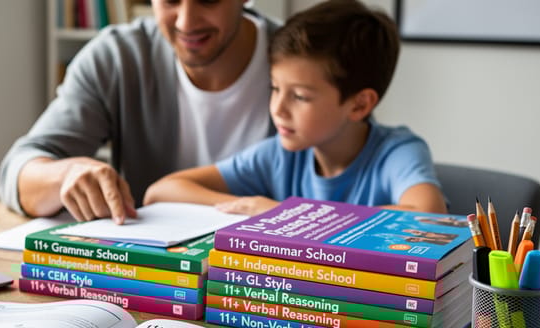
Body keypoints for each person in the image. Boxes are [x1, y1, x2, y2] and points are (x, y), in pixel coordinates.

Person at [143, 0, 448, 216]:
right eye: (275, 88)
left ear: (359, 104)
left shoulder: (397, 152)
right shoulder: (280, 155)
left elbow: (427, 213)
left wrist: (287, 214)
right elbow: (162, 191)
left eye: (300, 96)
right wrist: (252, 209)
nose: (278, 109)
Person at [0, 1, 281, 224]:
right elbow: (17, 171)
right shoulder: (118, 57)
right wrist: (65, 174)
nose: (186, 22)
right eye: (170, 1)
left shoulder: (304, 59)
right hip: (148, 281)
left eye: (208, 1)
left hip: (262, 283)